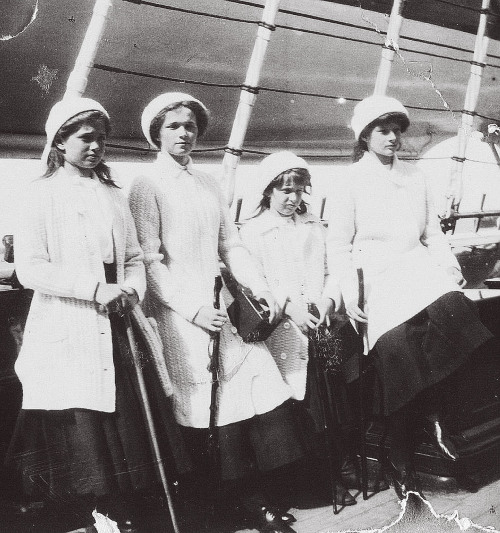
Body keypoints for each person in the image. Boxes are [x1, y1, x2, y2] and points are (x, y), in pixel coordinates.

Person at [129, 92, 305, 532]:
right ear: (156, 133)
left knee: (252, 398)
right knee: (206, 410)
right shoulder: (145, 185)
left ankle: (254, 502)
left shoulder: (208, 183)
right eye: (173, 126)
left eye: (189, 126)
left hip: (222, 309)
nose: (184, 133)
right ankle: (221, 508)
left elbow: (230, 244)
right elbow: (148, 262)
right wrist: (192, 311)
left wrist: (261, 291)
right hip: (182, 318)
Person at [326, 95, 493, 500]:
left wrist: (449, 274)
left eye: (397, 130)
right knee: (397, 351)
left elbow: (432, 235)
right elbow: (338, 247)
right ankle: (402, 451)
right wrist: (350, 294)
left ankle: (436, 421)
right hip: (378, 279)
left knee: (463, 320)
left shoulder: (415, 177)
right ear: (365, 136)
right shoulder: (349, 181)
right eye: (383, 130)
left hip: (419, 271)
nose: (392, 138)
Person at [10, 98, 156, 532]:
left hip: (117, 322)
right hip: (68, 321)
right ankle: (101, 514)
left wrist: (130, 289)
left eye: (101, 139)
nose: (95, 147)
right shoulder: (39, 193)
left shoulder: (113, 194)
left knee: (125, 422)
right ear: (59, 141)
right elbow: (31, 267)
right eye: (85, 138)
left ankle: (126, 511)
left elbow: (133, 257)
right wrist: (94, 289)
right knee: (84, 425)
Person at [238, 151, 359, 506]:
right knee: (301, 403)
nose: (292, 198)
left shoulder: (314, 226)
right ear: (268, 191)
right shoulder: (253, 231)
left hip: (319, 319)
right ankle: (318, 479)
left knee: (333, 395)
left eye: (298, 190)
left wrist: (326, 302)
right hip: (283, 327)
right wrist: (290, 308)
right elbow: (255, 282)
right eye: (284, 190)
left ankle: (341, 462)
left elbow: (331, 270)